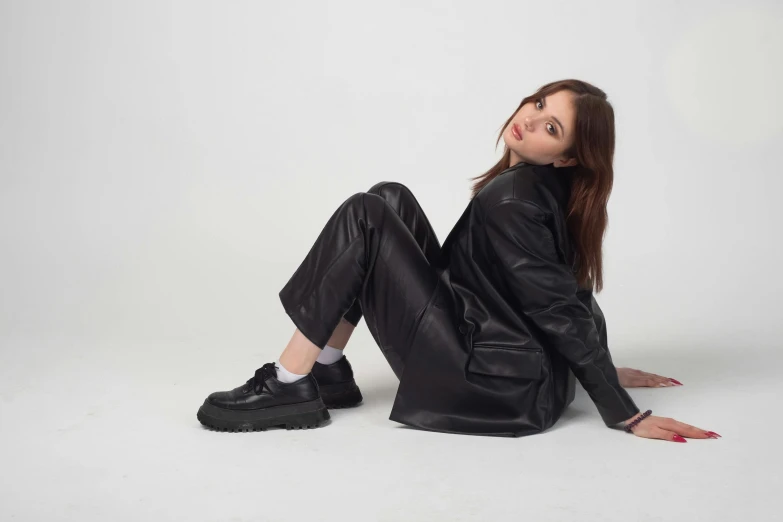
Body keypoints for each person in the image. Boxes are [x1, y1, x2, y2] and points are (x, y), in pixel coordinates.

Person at [196, 79, 721, 442]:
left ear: (566, 157)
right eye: (539, 105)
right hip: (506, 362)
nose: (530, 120)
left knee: (365, 216)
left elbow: (558, 303)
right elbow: (569, 287)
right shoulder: (540, 189)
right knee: (388, 197)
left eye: (552, 128)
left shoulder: (514, 197)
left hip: (489, 384)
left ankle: (290, 385)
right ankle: (329, 371)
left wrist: (621, 411)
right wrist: (597, 364)